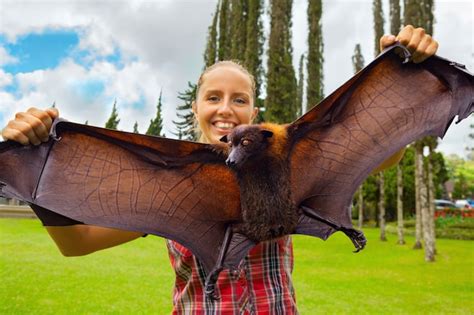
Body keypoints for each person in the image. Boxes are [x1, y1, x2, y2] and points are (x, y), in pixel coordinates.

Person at [1, 25, 438, 314]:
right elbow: (77, 244)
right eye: (213, 97)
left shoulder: (287, 162)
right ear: (197, 107)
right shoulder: (170, 181)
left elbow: (380, 154)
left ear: (255, 109)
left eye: (239, 99)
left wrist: (401, 78)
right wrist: (33, 164)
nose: (226, 109)